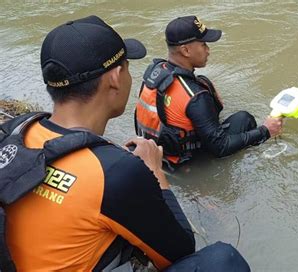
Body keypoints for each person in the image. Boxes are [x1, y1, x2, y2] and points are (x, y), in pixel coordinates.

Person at [4, 15, 249, 271]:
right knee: (223, 260)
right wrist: (154, 172)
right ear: (115, 77)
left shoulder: (17, 129)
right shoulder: (113, 172)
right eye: (127, 66)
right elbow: (181, 249)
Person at [135, 15, 283, 166]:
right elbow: (221, 147)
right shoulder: (195, 96)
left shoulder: (155, 72)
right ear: (186, 50)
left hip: (156, 154)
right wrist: (266, 130)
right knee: (244, 119)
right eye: (204, 44)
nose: (208, 50)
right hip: (184, 163)